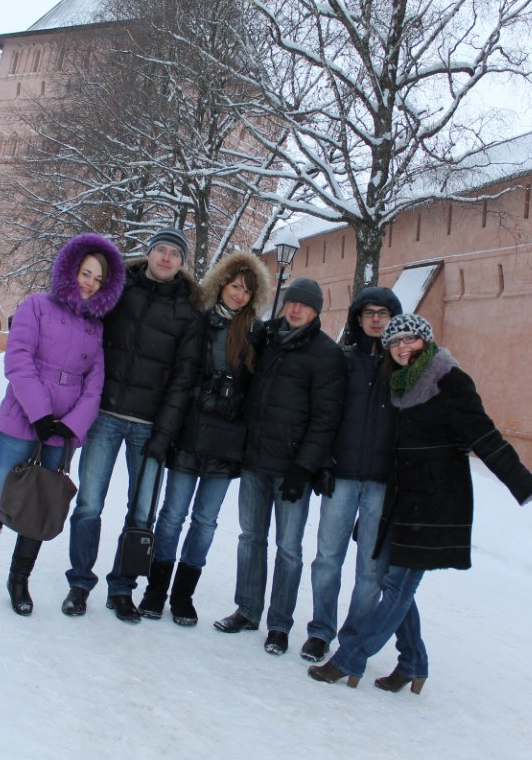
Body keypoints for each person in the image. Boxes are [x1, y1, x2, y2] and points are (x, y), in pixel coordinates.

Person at [309, 314, 532, 691]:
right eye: (395, 342)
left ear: (426, 341)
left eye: (411, 339)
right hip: (402, 499)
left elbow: (488, 439)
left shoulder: (449, 380)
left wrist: (530, 487)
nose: (403, 347)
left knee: (397, 584)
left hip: (437, 500)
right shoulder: (400, 384)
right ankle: (413, 662)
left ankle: (350, 658)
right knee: (396, 582)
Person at [0, 233, 126, 615]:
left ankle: (19, 581)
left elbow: (94, 384)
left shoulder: (96, 327)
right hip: (22, 420)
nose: (89, 283)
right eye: (85, 273)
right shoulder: (36, 306)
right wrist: (41, 415)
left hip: (60, 434)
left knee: (38, 505)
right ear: (71, 270)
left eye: (98, 278)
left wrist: (70, 425)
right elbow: (18, 360)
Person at [61, 227, 203, 623]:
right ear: (149, 253)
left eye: (174, 253)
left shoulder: (188, 311)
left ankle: (123, 588)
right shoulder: (119, 290)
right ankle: (79, 582)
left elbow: (183, 378)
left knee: (141, 515)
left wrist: (165, 432)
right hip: (106, 416)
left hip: (149, 427)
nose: (166, 258)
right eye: (160, 249)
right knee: (89, 503)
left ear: (181, 263)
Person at [138, 251, 272, 626]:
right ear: (222, 285)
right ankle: (155, 589)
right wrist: (202, 395)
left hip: (226, 441)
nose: (239, 295)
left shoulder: (256, 334)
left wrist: (236, 403)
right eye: (234, 286)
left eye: (247, 290)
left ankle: (183, 595)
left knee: (205, 521)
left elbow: (260, 387)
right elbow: (182, 371)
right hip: (192, 430)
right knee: (172, 515)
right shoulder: (200, 322)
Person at [214, 277, 347, 655]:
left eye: (304, 305)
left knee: (289, 549)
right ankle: (247, 609)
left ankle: (279, 624)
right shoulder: (268, 340)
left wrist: (303, 468)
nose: (296, 309)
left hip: (291, 470)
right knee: (250, 539)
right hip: (256, 462)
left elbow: (326, 419)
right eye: (291, 302)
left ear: (316, 311)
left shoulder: (325, 354)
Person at [301, 286, 402, 663]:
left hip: (382, 482)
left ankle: (353, 637)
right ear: (357, 319)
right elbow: (324, 416)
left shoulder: (404, 367)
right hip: (341, 476)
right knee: (327, 558)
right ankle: (320, 631)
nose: (376, 319)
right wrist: (323, 463)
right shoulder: (341, 361)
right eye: (369, 313)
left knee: (371, 571)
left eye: (384, 313)